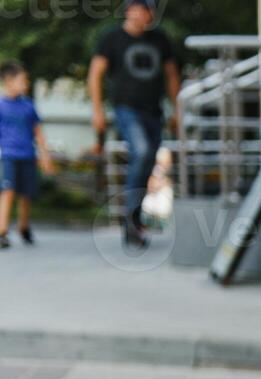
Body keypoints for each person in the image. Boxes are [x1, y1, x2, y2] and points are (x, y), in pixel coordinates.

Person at [88, 0, 180, 248]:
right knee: (141, 151)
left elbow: (171, 74)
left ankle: (135, 217)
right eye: (140, 9)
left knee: (148, 160)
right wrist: (96, 110)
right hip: (126, 109)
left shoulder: (159, 39)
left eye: (148, 10)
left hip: (154, 111)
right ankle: (129, 218)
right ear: (130, 11)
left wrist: (176, 109)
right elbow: (95, 73)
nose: (145, 15)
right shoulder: (112, 38)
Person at [0, 61, 55, 249]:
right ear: (8, 81)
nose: (26, 83)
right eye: (22, 80)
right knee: (8, 191)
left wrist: (45, 156)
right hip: (7, 154)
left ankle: (24, 227)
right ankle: (2, 231)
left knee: (26, 194)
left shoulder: (28, 105)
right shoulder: (1, 105)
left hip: (27, 154)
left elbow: (38, 131)